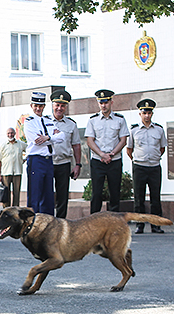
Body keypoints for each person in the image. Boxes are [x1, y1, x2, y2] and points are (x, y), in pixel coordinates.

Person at [126, 98, 167, 233]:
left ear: (152, 114)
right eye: (144, 113)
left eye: (149, 113)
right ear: (140, 114)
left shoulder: (159, 129)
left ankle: (156, 225)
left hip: (154, 166)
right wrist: (138, 159)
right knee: (139, 197)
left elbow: (162, 148)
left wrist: (153, 157)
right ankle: (140, 224)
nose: (147, 116)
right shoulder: (134, 130)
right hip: (139, 166)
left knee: (155, 197)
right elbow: (129, 150)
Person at [86, 89, 129, 213]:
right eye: (101, 103)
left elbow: (123, 140)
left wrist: (112, 154)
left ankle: (114, 220)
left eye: (106, 102)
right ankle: (93, 219)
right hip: (98, 160)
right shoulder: (93, 120)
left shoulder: (120, 119)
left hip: (114, 160)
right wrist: (102, 154)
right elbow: (90, 141)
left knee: (115, 192)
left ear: (111, 102)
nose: (103, 105)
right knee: (96, 193)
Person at [24, 91, 65, 215]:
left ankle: (48, 221)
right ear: (31, 106)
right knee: (35, 194)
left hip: (48, 160)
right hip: (36, 160)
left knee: (48, 195)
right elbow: (37, 141)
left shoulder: (48, 120)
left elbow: (62, 137)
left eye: (40, 106)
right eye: (36, 106)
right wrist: (52, 138)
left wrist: (47, 138)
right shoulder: (29, 121)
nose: (38, 108)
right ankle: (32, 221)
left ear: (44, 106)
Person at [50, 89, 82, 218]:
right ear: (52, 105)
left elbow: (76, 145)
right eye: (57, 105)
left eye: (62, 106)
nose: (59, 108)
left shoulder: (71, 124)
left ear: (66, 107)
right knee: (47, 194)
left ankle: (60, 221)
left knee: (62, 196)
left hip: (64, 163)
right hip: (48, 162)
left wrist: (78, 164)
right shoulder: (45, 121)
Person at [0, 127, 25, 207]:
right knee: (6, 193)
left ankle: (15, 210)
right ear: (6, 134)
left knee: (16, 193)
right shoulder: (3, 146)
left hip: (17, 172)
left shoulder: (20, 144)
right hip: (6, 173)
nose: (10, 135)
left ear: (15, 134)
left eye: (12, 133)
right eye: (8, 133)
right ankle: (6, 210)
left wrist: (24, 159)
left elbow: (30, 150)